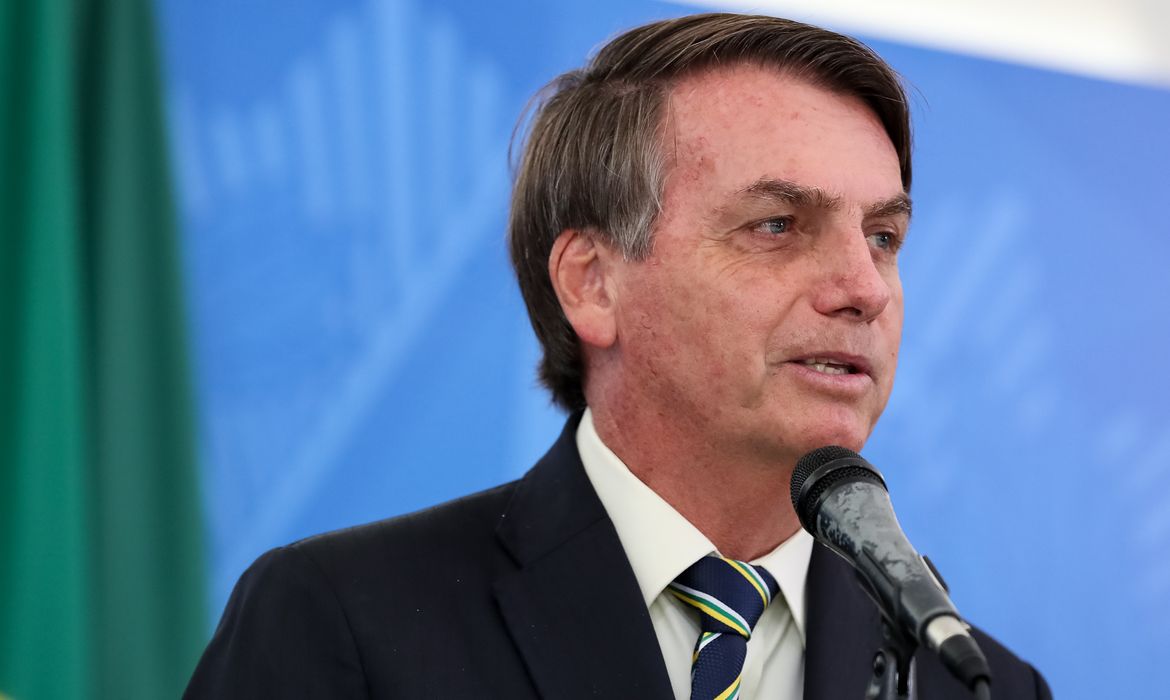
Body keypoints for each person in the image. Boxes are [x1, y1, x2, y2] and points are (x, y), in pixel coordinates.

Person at [185, 12, 1050, 699]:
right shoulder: (347, 622)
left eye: (884, 236)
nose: (865, 288)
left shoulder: (973, 681)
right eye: (777, 226)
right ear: (593, 283)